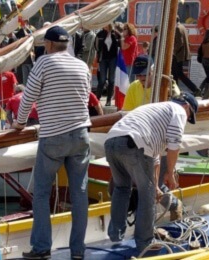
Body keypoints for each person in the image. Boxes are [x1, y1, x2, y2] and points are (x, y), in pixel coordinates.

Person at [15, 26, 91, 260]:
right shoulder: (82, 66)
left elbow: (28, 97)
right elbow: (86, 97)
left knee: (41, 193)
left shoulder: (44, 63)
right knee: (79, 193)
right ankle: (77, 251)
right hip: (80, 134)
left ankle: (41, 248)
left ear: (48, 45)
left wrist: (19, 124)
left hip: (53, 137)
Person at [105, 93, 197, 253]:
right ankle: (145, 242)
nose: (187, 120)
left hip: (112, 141)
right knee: (146, 195)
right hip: (134, 142)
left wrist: (155, 186)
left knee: (122, 188)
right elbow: (174, 143)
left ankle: (115, 234)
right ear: (187, 107)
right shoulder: (179, 111)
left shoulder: (157, 112)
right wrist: (170, 172)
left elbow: (154, 158)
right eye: (190, 117)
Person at [173, 19, 200, 95]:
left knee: (178, 74)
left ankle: (195, 89)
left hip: (177, 55)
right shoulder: (183, 27)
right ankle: (175, 91)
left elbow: (179, 42)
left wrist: (173, 51)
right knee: (175, 74)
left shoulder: (177, 28)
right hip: (181, 54)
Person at [95, 23, 121, 106]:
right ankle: (97, 99)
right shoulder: (100, 34)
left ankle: (108, 100)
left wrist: (115, 33)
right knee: (102, 80)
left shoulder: (115, 34)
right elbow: (96, 46)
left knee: (111, 80)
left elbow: (120, 43)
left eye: (106, 24)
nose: (104, 26)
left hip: (113, 58)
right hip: (103, 59)